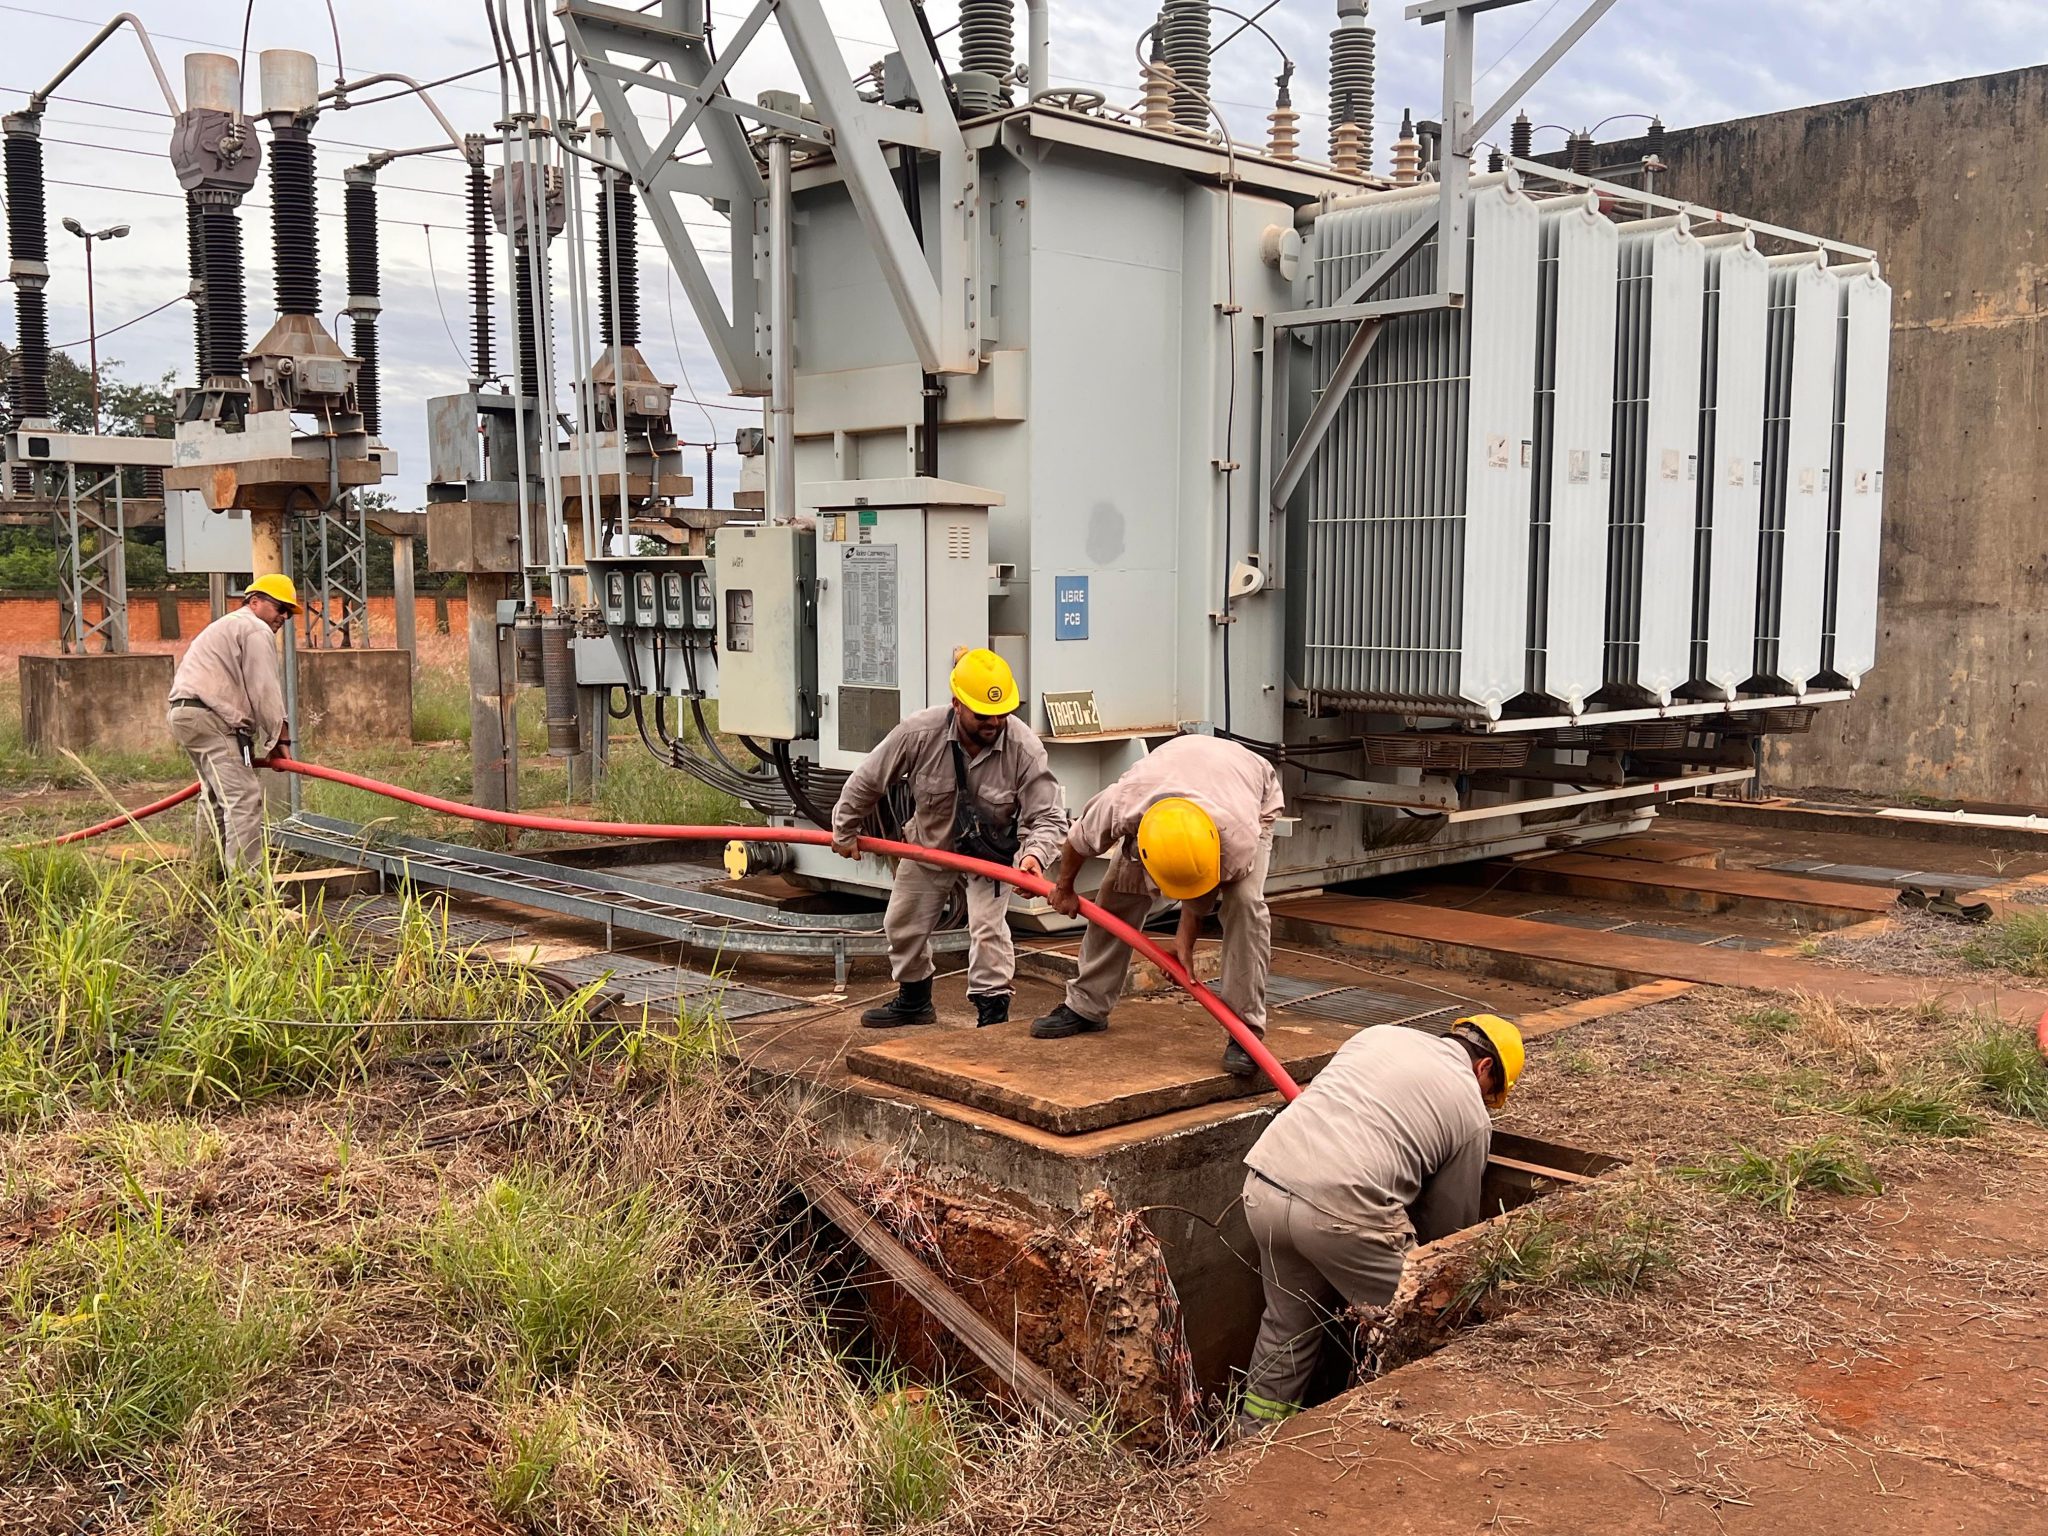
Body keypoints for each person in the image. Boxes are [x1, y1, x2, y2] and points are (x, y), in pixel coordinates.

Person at [1234, 1014, 1526, 1432]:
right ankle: (1385, 1437)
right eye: (1490, 1094)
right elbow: (1447, 1236)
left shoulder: (1378, 1036)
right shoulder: (1471, 1114)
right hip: (1342, 1210)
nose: (1484, 1103)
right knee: (1422, 1327)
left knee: (1287, 1327)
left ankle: (1252, 1438)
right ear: (1484, 1069)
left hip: (1265, 1184)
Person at [830, 648, 1066, 1028]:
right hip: (930, 845)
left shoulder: (1024, 749)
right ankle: (914, 1001)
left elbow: (1049, 816)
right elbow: (868, 779)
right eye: (983, 714)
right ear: (957, 704)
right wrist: (845, 829)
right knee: (901, 923)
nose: (994, 722)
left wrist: (1034, 857)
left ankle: (993, 1015)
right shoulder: (919, 733)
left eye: (1002, 712)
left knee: (988, 931)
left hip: (991, 856)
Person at [1032, 733, 1283, 1076]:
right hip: (1171, 786)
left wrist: (1186, 939)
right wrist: (1064, 889)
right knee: (1118, 892)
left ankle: (1245, 1033)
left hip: (1249, 791)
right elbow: (1077, 843)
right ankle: (1086, 1005)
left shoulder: (1237, 841)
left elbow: (1206, 885)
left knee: (1245, 905)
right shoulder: (1121, 805)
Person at [165, 573, 298, 875]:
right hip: (212, 719)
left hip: (186, 714)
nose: (284, 617)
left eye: (289, 612)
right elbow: (264, 688)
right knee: (243, 799)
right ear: (255, 602)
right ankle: (247, 891)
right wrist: (280, 739)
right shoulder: (253, 628)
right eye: (280, 607)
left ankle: (206, 876)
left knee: (214, 797)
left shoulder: (228, 625)